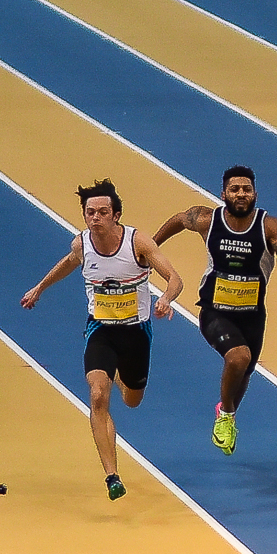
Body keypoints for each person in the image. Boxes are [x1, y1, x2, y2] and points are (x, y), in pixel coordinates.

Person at [20, 179, 183, 499]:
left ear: (116, 215)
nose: (95, 217)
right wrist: (40, 287)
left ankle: (121, 377)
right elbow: (69, 263)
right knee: (97, 395)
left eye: (103, 212)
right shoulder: (82, 244)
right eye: (90, 212)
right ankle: (112, 476)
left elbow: (175, 278)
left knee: (132, 400)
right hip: (101, 331)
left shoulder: (139, 243)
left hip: (136, 332)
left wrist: (166, 299)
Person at [151, 167, 277, 456]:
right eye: (235, 189)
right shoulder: (207, 219)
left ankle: (228, 412)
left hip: (253, 316)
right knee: (238, 358)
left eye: (246, 189)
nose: (241, 194)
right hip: (214, 311)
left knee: (242, 374)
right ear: (223, 194)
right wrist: (151, 249)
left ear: (255, 194)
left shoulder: (269, 227)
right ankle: (225, 416)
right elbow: (179, 220)